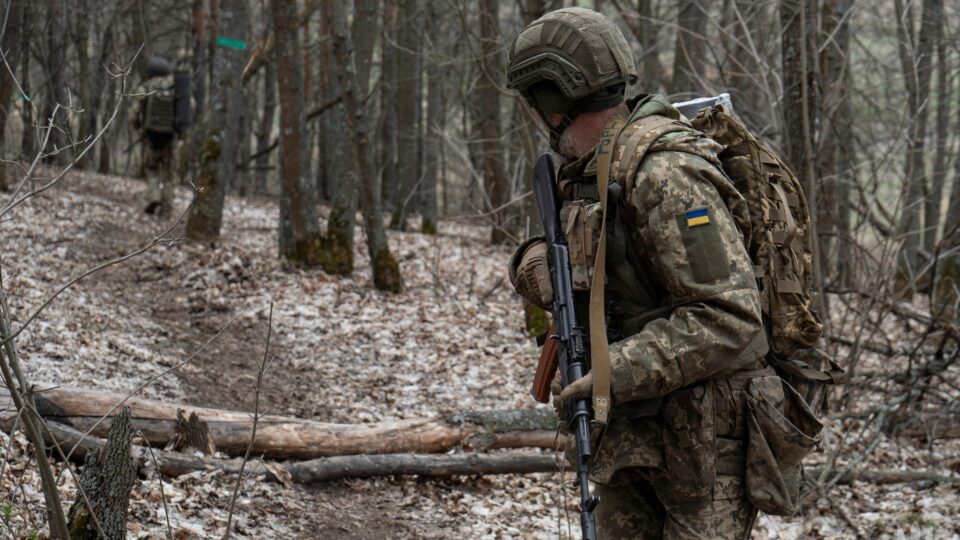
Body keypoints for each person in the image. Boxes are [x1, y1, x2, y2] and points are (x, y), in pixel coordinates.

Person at [506, 8, 772, 539]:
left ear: (553, 99)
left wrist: (610, 371)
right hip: (632, 435)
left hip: (703, 447)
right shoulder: (589, 171)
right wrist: (532, 267)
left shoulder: (664, 174)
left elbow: (730, 315)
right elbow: (567, 257)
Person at [131, 55, 188, 217]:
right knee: (170, 176)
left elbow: (133, 113)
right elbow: (188, 108)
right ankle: (167, 210)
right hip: (172, 138)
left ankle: (154, 196)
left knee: (151, 168)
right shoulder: (177, 87)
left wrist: (139, 129)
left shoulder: (146, 87)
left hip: (152, 137)